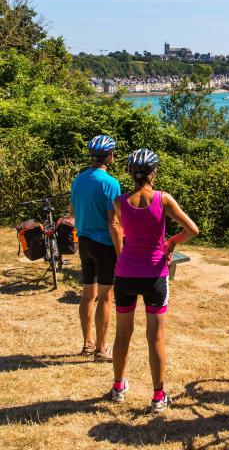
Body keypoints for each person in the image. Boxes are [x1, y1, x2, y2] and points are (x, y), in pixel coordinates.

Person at [109, 148, 199, 410]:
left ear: (130, 173)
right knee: (155, 337)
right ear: (154, 172)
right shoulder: (164, 199)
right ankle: (159, 396)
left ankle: (118, 387)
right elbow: (192, 230)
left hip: (125, 272)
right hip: (154, 274)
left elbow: (121, 228)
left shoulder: (119, 201)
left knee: (123, 333)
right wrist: (170, 242)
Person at [70, 134, 122, 362]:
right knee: (105, 297)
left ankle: (87, 344)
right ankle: (101, 348)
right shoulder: (110, 183)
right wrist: (121, 253)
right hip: (104, 245)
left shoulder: (78, 180)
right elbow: (114, 222)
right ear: (110, 156)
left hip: (85, 242)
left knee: (87, 294)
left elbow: (72, 213)